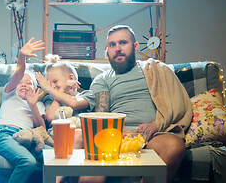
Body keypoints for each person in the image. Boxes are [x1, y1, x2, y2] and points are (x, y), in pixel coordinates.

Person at [78, 25, 193, 183]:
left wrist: (155, 125)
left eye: (123, 42)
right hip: (116, 136)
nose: (118, 48)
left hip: (154, 135)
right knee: (89, 179)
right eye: (112, 44)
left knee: (174, 146)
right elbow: (101, 114)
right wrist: (119, 130)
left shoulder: (156, 70)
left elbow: (176, 106)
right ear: (107, 50)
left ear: (135, 46)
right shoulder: (103, 79)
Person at [0, 38, 46, 183]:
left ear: (35, 88)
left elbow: (42, 130)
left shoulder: (37, 105)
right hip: (5, 134)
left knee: (54, 156)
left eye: (29, 83)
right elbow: (18, 75)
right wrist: (22, 57)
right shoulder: (9, 93)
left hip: (29, 138)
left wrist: (33, 105)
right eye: (21, 82)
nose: (24, 85)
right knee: (28, 161)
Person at [35, 54, 88, 147]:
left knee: (78, 134)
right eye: (49, 84)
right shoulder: (50, 99)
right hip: (56, 137)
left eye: (55, 81)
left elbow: (74, 104)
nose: (52, 87)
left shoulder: (86, 95)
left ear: (71, 78)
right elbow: (51, 117)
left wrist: (48, 88)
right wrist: (61, 91)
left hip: (78, 136)